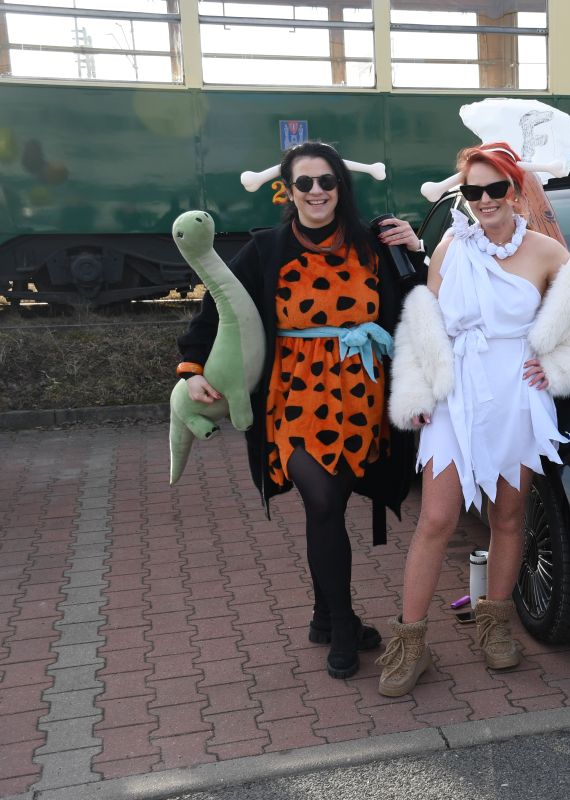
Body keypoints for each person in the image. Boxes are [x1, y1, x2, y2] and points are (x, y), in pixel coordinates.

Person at [176, 140, 424, 679]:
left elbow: (420, 303)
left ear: (341, 187)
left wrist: (417, 250)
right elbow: (219, 303)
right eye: (304, 183)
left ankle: (322, 614)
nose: (316, 191)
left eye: (326, 181)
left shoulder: (373, 244)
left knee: (329, 504)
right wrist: (192, 366)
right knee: (323, 500)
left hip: (360, 396)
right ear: (287, 191)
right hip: (292, 396)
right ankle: (343, 625)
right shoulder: (266, 249)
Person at [379, 142, 570, 697]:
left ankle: (495, 625)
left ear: (515, 190)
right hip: (455, 392)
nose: (484, 200)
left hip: (515, 395)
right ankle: (410, 642)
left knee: (507, 517)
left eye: (495, 188)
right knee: (436, 518)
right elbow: (425, 322)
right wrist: (418, 388)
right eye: (472, 191)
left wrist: (557, 367)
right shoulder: (449, 248)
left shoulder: (547, 252)